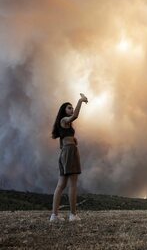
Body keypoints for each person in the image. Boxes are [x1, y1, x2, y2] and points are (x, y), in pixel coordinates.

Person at [50, 93, 88, 222]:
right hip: (69, 153)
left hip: (66, 152)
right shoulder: (64, 120)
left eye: (72, 107)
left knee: (61, 184)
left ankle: (54, 216)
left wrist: (72, 141)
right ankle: (73, 215)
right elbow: (76, 115)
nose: (71, 109)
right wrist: (80, 101)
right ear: (63, 111)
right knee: (72, 184)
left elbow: (62, 142)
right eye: (69, 108)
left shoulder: (65, 124)